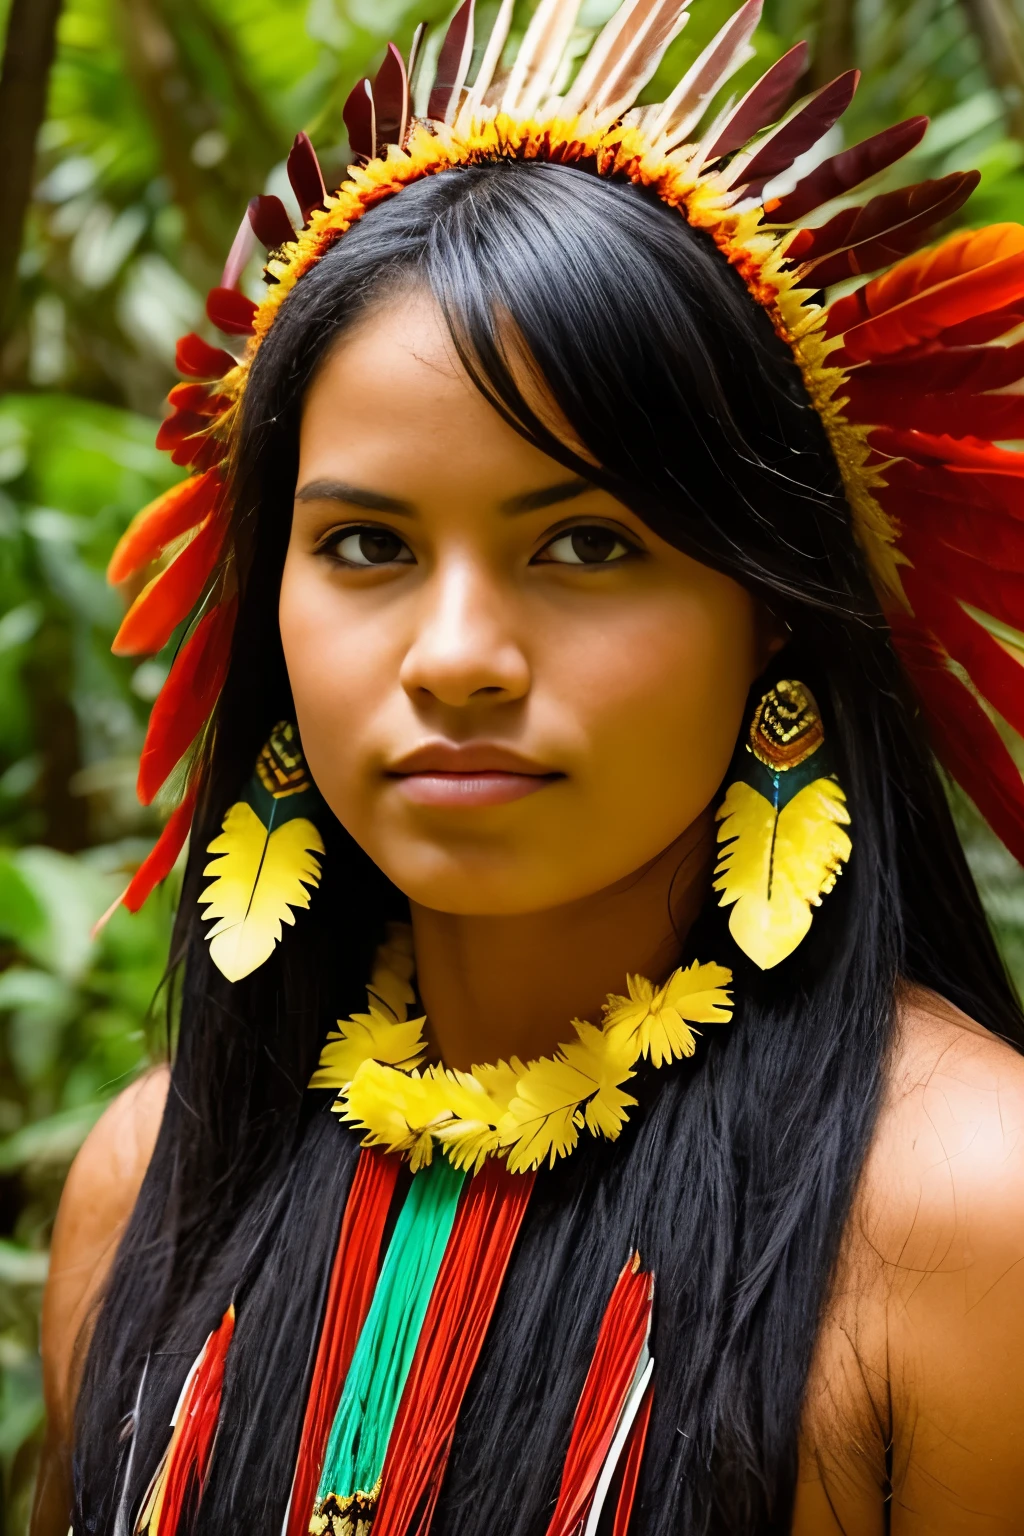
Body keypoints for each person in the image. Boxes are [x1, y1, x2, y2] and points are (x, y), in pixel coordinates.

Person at [31, 1, 1024, 1532]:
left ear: (773, 607)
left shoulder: (970, 1214)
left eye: (584, 543)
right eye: (366, 544)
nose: (456, 656)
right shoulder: (149, 1186)